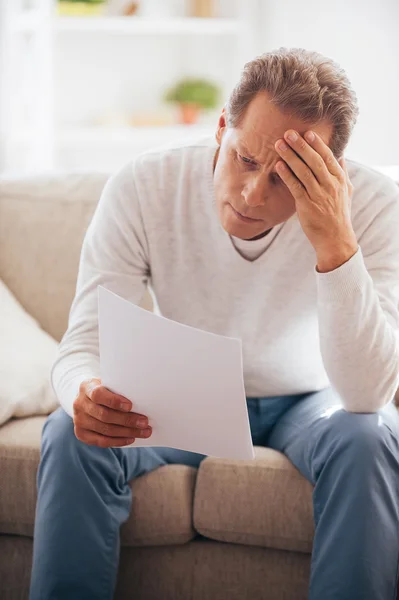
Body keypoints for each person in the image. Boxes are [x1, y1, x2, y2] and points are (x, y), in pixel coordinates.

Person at [29, 47, 399, 600]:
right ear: (222, 127)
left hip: (312, 399)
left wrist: (334, 241)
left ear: (331, 173)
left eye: (286, 180)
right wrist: (82, 389)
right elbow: (84, 343)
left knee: (370, 437)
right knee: (69, 430)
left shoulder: (373, 206)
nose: (253, 196)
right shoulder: (143, 184)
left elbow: (369, 393)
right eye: (245, 160)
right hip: (180, 396)